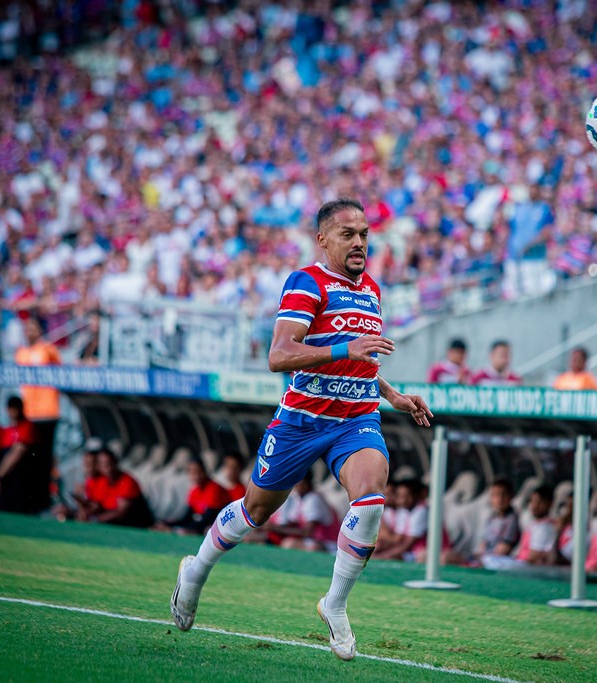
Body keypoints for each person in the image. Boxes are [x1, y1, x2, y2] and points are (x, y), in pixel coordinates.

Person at [170, 199, 432, 662]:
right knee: (256, 510)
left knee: (371, 498)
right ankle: (196, 569)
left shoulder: (370, 288)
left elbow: (360, 356)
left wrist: (392, 395)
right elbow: (279, 354)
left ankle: (335, 604)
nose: (358, 243)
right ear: (323, 239)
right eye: (348, 234)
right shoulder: (306, 282)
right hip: (302, 420)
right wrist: (345, 346)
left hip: (356, 418)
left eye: (364, 234)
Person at [0, 396, 50, 514]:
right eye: (12, 409)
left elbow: (16, 455)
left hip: (23, 479)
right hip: (6, 478)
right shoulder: (6, 431)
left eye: (17, 408)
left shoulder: (28, 427)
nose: (14, 412)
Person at [14, 316, 62, 466]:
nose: (29, 331)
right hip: (28, 412)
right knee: (28, 457)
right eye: (27, 328)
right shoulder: (20, 352)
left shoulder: (48, 350)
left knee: (45, 455)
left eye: (33, 327)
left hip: (47, 411)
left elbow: (61, 373)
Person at [264, 470, 339, 552]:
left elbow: (307, 532)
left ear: (306, 483)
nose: (295, 485)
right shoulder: (299, 498)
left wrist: (275, 528)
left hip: (328, 544)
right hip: (311, 541)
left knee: (289, 544)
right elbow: (292, 523)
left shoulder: (314, 498)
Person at [155, 458, 230, 535]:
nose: (195, 475)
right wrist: (168, 524)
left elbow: (208, 519)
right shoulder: (194, 491)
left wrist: (176, 529)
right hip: (201, 525)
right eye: (192, 472)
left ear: (204, 471)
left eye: (198, 471)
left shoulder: (214, 489)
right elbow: (187, 518)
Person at [87, 447, 154, 528]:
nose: (107, 468)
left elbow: (121, 513)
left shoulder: (127, 481)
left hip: (135, 526)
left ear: (116, 463)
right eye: (103, 464)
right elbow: (96, 505)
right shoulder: (101, 482)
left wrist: (95, 520)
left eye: (109, 463)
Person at [52, 443, 106, 522]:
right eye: (86, 463)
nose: (89, 466)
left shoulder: (102, 480)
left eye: (92, 463)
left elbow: (95, 506)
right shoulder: (78, 475)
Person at [478, 478, 521, 558]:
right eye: (496, 495)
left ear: (511, 496)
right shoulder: (491, 517)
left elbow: (505, 547)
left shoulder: (512, 518)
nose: (500, 499)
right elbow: (484, 543)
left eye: (504, 494)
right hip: (486, 556)